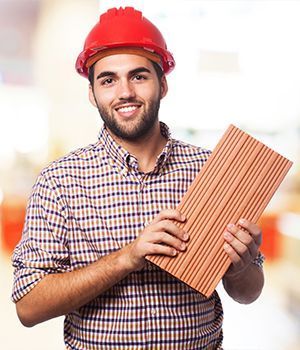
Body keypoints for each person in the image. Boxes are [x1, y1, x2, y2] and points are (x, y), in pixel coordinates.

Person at [12, 6, 264, 349]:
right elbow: (28, 307)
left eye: (139, 76)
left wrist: (241, 266)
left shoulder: (213, 171)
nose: (125, 92)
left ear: (162, 84)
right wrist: (127, 258)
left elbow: (248, 294)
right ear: (92, 94)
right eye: (108, 80)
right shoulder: (59, 181)